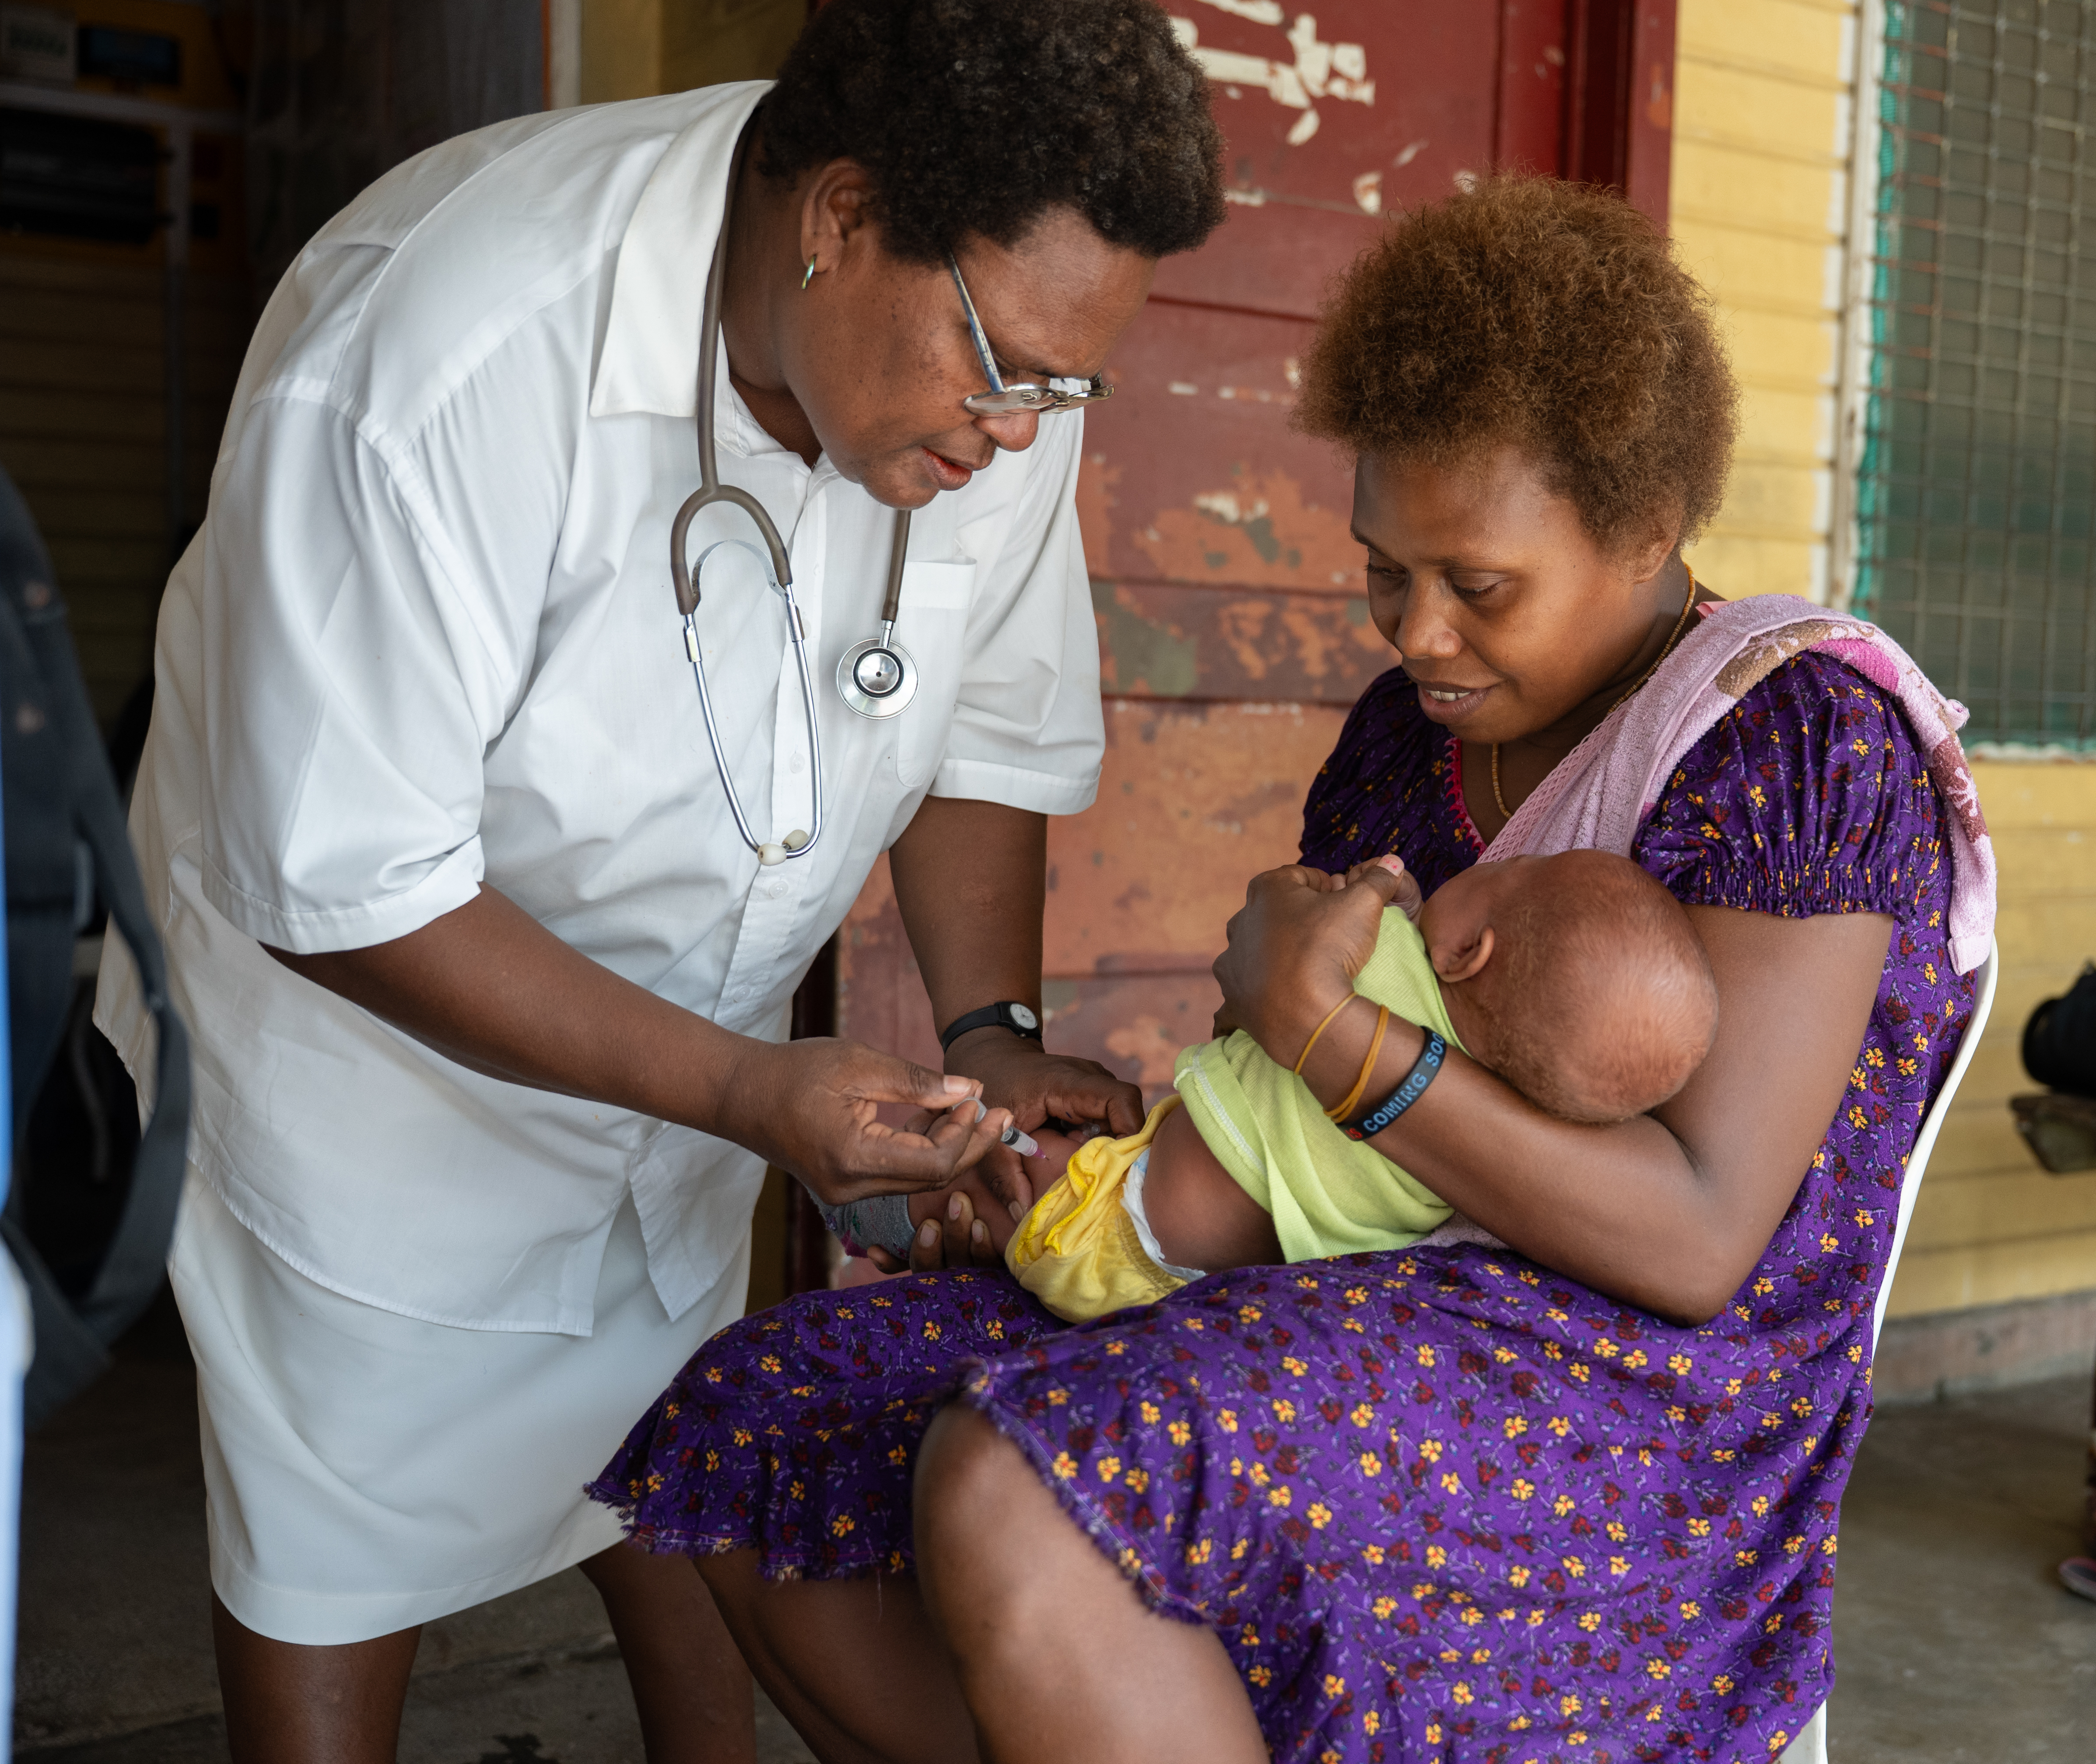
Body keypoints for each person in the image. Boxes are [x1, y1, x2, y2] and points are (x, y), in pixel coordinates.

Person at [587, 174, 1996, 1764]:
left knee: (1022, 1477)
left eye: (1480, 586)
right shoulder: (1406, 747)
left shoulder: (1797, 739)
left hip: (1636, 1391)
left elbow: (1693, 1241)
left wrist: (1330, 1033)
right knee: (769, 1409)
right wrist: (1088, 1203)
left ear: (1646, 528)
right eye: (1387, 570)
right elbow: (1292, 1142)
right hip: (1345, 1285)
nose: (1421, 636)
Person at [87, 3, 1223, 1759]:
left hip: (700, 1063)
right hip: (376, 1054)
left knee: (664, 1453)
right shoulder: (452, 349)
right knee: (341, 1525)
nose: (1023, 430)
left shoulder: (993, 355)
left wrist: (990, 1035)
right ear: (839, 218)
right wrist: (752, 1088)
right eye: (1005, 371)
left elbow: (980, 719)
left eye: (1070, 386)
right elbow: (353, 884)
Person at [1000, 848, 1721, 1323]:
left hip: (1117, 1217)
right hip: (1205, 1298)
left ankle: (899, 1207)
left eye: (1510, 868)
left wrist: (1370, 900)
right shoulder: (1479, 1134)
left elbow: (1299, 932)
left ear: (1468, 950)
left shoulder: (1370, 961)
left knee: (992, 1164)